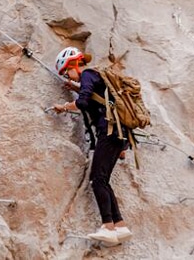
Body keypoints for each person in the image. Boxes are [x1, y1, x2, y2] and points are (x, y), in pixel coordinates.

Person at [52, 48, 133, 246]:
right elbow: (93, 98)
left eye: (65, 71)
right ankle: (120, 226)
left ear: (72, 65)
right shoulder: (94, 78)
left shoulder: (88, 74)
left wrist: (64, 106)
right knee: (103, 180)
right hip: (118, 134)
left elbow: (83, 102)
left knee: (97, 179)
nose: (65, 75)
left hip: (109, 132)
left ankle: (107, 226)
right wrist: (76, 87)